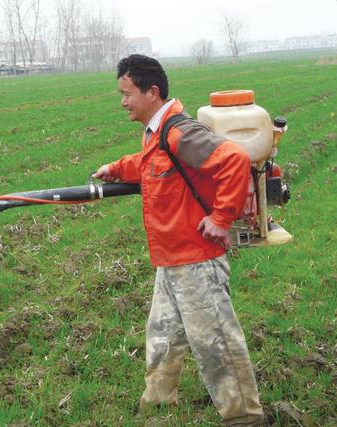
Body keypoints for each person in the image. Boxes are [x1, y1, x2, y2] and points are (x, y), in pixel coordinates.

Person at [93, 54, 265, 425]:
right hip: (171, 258)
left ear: (152, 92)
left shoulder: (179, 132)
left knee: (215, 341)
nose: (123, 102)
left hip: (196, 260)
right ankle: (158, 404)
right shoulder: (157, 134)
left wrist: (221, 218)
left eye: (127, 93)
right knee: (162, 334)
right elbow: (150, 164)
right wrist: (117, 168)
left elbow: (234, 160)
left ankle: (245, 418)